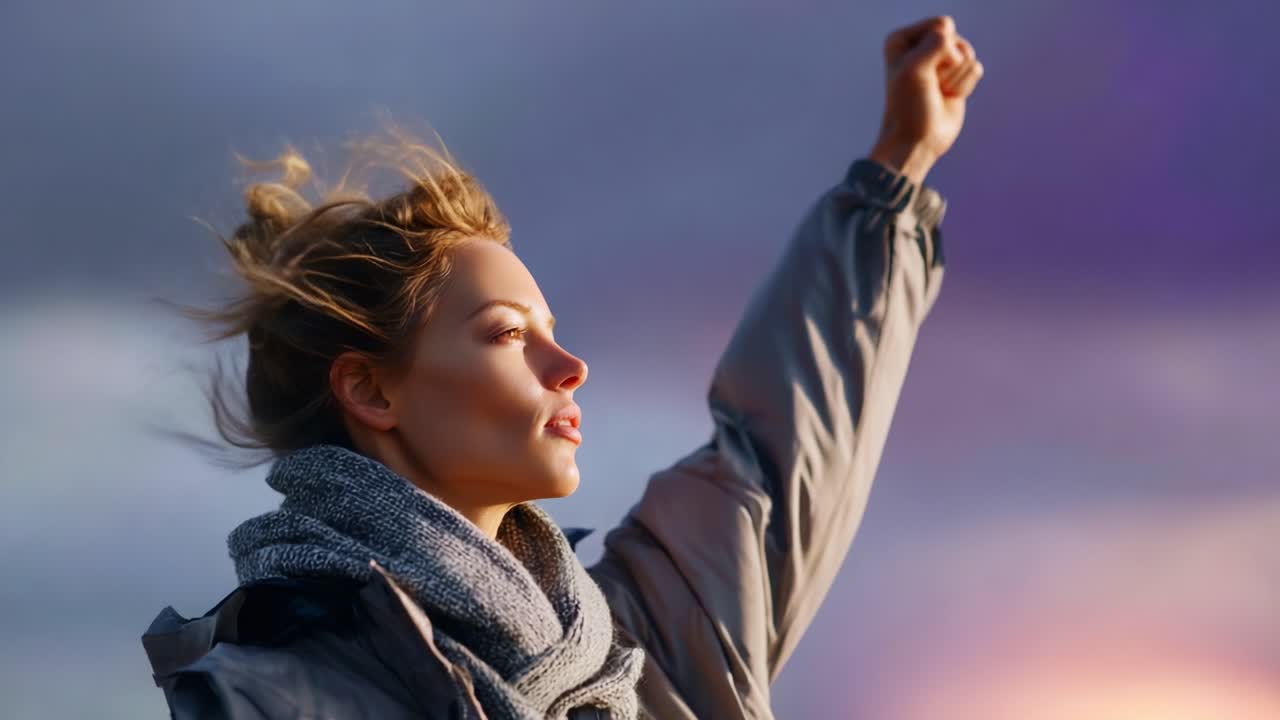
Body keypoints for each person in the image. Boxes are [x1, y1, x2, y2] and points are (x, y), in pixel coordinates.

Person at [141, 15, 983, 720]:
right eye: (509, 335)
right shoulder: (264, 701)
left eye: (554, 330)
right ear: (370, 389)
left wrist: (898, 169)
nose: (569, 365)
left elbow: (781, 451)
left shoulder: (650, 638)